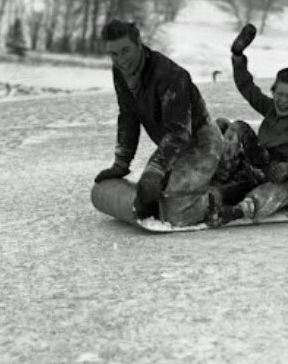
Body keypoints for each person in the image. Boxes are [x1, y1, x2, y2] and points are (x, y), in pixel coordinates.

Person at [92, 19, 223, 226]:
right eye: (114, 54)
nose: (121, 60)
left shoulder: (170, 75)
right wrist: (121, 163)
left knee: (176, 214)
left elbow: (179, 132)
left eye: (126, 51)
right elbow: (128, 116)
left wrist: (155, 169)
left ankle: (224, 191)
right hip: (172, 148)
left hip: (201, 143)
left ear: (139, 44)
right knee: (153, 196)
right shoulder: (121, 72)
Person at [208, 42, 288, 226]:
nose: (282, 101)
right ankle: (217, 181)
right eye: (279, 94)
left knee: (279, 188)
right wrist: (238, 56)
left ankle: (236, 211)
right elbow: (247, 87)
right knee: (233, 127)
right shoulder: (271, 109)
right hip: (263, 167)